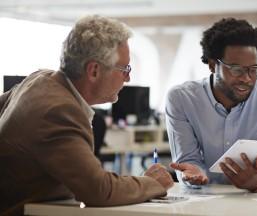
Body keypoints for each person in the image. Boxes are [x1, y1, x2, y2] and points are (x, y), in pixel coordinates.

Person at [0, 15, 173, 215]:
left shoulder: (40, 80)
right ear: (94, 71)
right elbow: (99, 190)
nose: (128, 78)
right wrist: (152, 183)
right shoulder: (59, 110)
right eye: (125, 69)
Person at [165, 17, 257, 192]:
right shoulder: (181, 99)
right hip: (201, 200)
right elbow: (188, 160)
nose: (246, 79)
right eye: (236, 69)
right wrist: (194, 175)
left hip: (252, 199)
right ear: (212, 65)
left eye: (253, 70)